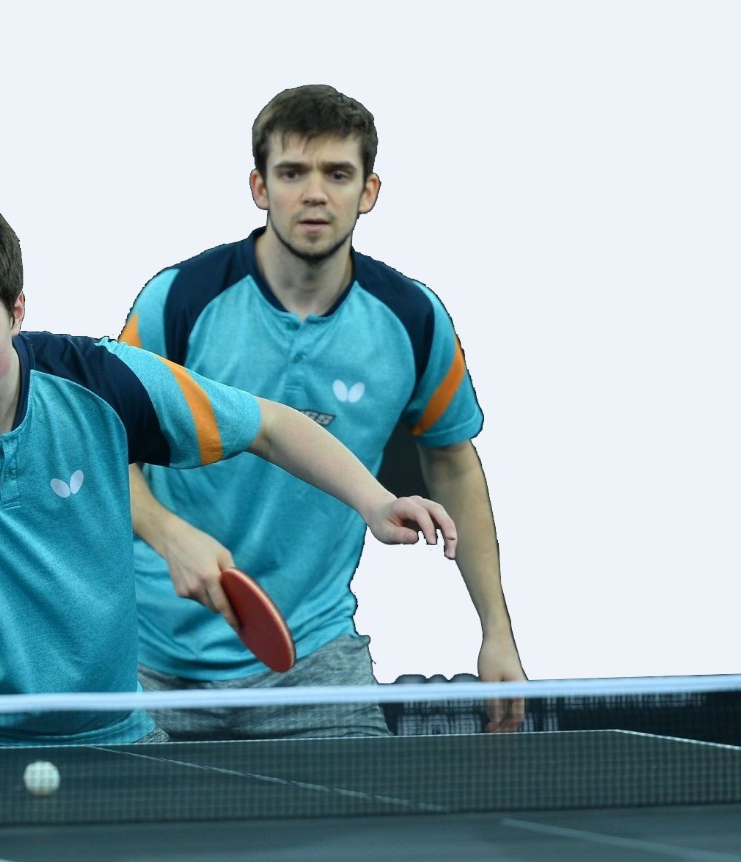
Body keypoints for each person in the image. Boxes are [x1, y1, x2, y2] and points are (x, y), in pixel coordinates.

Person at [0, 190, 459, 750]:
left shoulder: (100, 382)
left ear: (16, 312)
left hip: (103, 731)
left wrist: (374, 501)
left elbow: (271, 426)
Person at [119, 85, 526, 740]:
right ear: (260, 187)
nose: (315, 194)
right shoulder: (179, 301)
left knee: (367, 811)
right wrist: (170, 535)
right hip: (149, 655)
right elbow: (104, 448)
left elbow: (452, 463)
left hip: (312, 658)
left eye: (337, 174)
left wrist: (496, 632)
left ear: (369, 191)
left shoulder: (413, 319)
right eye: (292, 173)